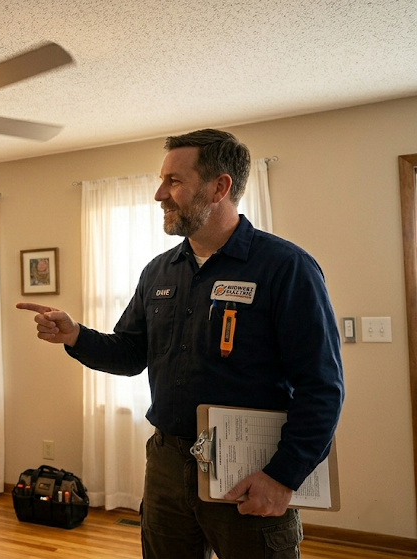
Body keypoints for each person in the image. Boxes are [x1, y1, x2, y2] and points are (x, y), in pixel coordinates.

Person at [17, 129, 344, 559]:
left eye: (174, 181)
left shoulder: (286, 267)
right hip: (168, 465)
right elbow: (131, 352)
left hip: (251, 466)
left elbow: (322, 387)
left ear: (219, 187)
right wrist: (77, 336)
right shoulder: (159, 272)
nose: (159, 194)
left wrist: (282, 477)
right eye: (162, 180)